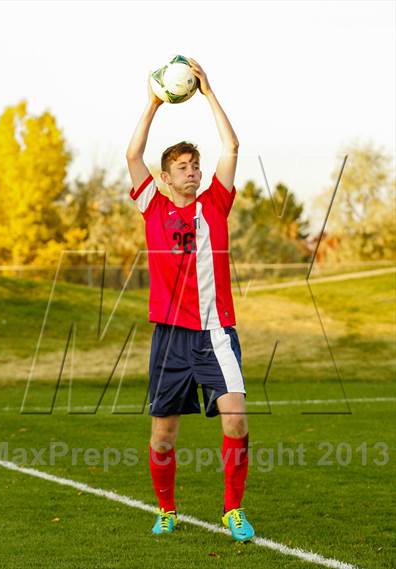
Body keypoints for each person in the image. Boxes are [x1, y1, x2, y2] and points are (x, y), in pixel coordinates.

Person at [125, 58, 255, 542]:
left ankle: (232, 511)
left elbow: (232, 145)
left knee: (237, 420)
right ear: (165, 176)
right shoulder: (152, 206)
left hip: (217, 333)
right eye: (183, 167)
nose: (194, 172)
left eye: (196, 165)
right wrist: (155, 102)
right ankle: (166, 510)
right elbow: (132, 153)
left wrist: (209, 92)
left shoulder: (216, 203)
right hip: (171, 338)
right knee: (163, 436)